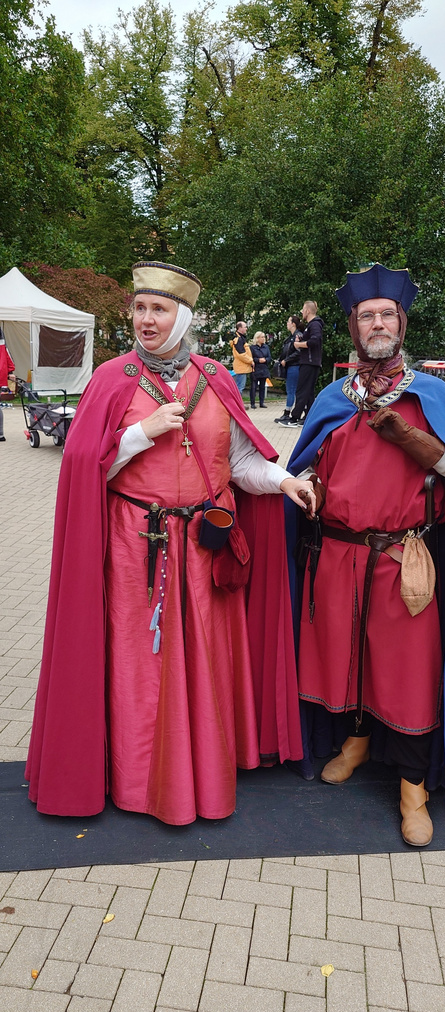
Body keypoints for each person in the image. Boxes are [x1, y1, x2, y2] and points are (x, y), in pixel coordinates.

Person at [26, 261, 315, 825]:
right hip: (137, 546)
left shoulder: (215, 376)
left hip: (204, 548)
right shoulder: (113, 377)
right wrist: (140, 433)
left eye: (158, 309)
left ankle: (203, 772)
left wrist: (285, 482)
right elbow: (85, 470)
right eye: (139, 308)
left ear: (182, 317)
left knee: (203, 659)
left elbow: (237, 463)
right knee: (141, 663)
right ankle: (137, 780)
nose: (146, 319)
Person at [285, 264, 445, 846]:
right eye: (365, 315)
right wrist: (302, 484)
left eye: (386, 314)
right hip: (338, 556)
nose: (376, 323)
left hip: (404, 559)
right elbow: (303, 463)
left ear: (401, 323)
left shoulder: (429, 394)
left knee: (407, 672)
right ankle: (355, 743)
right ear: (352, 328)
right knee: (347, 658)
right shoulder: (334, 397)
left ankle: (412, 787)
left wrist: (411, 439)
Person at [278, 301, 324, 427]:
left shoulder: (314, 325)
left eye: (303, 310)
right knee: (308, 392)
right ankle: (309, 417)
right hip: (310, 362)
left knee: (301, 390)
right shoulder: (312, 325)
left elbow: (315, 341)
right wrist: (302, 340)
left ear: (308, 311)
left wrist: (298, 344)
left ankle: (294, 418)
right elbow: (311, 341)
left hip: (309, 362)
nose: (301, 312)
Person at [275, 315, 304, 423]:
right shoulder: (290, 337)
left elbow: (299, 352)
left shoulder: (298, 336)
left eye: (288, 321)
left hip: (295, 366)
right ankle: (289, 412)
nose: (287, 324)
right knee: (291, 390)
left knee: (291, 390)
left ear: (293, 324)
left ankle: (288, 413)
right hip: (291, 366)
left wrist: (286, 360)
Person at [249, 331, 272, 409]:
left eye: (264, 337)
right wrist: (258, 360)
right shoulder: (252, 347)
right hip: (255, 368)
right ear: (257, 338)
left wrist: (265, 360)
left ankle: (261, 402)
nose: (263, 338)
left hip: (264, 368)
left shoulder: (266, 347)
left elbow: (269, 357)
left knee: (262, 386)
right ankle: (252, 403)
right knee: (254, 386)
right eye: (262, 337)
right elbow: (250, 358)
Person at [231, 320, 254, 395]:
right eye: (245, 327)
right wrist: (251, 360)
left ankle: (238, 405)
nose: (246, 328)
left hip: (241, 367)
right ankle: (238, 406)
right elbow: (241, 354)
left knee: (239, 387)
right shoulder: (239, 339)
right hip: (241, 367)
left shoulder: (241, 338)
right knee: (239, 387)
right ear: (239, 328)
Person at [0, 333, 15, 442]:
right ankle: (0, 434)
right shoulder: (2, 346)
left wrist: (10, 371)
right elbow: (8, 359)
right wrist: (10, 371)